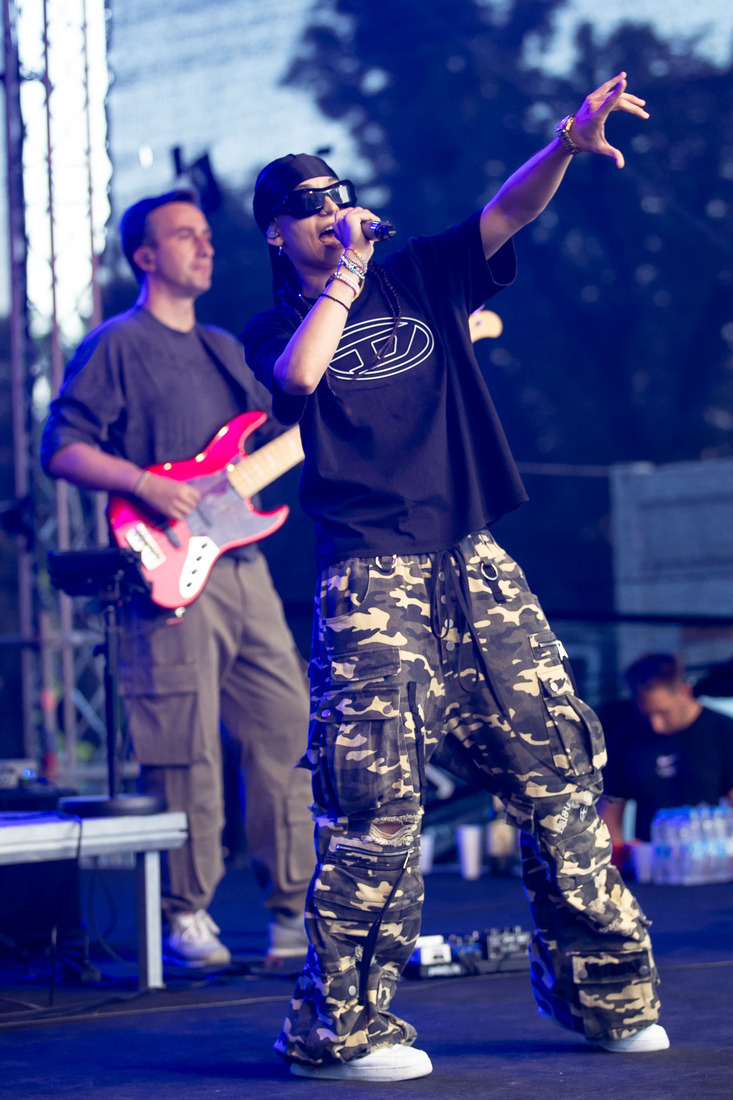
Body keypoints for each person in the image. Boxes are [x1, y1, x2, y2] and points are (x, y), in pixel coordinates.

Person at [242, 73, 669, 1082]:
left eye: (337, 194)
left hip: (471, 557)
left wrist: (563, 144)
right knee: (376, 803)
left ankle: (605, 996)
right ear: (277, 235)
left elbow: (505, 211)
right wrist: (347, 273)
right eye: (306, 205)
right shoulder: (274, 325)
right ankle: (338, 1032)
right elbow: (300, 377)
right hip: (369, 574)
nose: (329, 210)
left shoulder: (424, 274)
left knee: (557, 770)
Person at [41, 190, 315, 969]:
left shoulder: (226, 349)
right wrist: (146, 484)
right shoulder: (116, 344)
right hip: (163, 569)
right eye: (185, 235)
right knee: (181, 745)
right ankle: (183, 912)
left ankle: (292, 912)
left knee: (287, 730)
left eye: (206, 234)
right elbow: (61, 447)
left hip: (244, 569)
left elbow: (278, 432)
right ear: (145, 256)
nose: (205, 245)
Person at [599, 652, 733, 846]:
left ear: (684, 692)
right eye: (647, 714)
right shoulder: (626, 740)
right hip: (650, 859)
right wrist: (619, 855)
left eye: (663, 712)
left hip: (709, 856)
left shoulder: (724, 731)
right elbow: (608, 813)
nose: (656, 725)